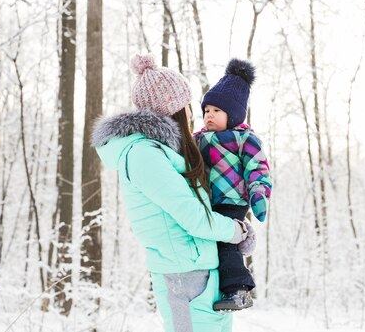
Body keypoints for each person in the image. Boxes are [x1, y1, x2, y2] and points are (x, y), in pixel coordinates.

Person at [92, 54, 255, 332]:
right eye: (188, 106)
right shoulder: (144, 155)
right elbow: (192, 217)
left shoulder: (168, 153)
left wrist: (237, 228)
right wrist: (235, 231)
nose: (194, 114)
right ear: (177, 109)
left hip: (203, 272)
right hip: (185, 275)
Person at [193, 59, 272, 312]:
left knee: (226, 243)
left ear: (234, 114)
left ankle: (239, 291)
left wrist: (258, 195)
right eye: (206, 111)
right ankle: (215, 287)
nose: (209, 115)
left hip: (231, 200)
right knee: (210, 244)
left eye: (216, 111)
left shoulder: (245, 138)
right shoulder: (200, 138)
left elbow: (258, 168)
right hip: (207, 201)